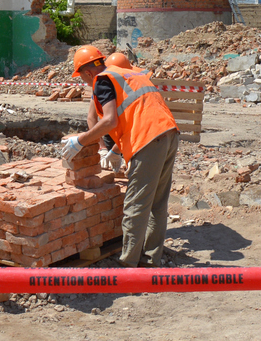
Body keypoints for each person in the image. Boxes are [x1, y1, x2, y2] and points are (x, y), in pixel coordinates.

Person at [60, 45, 180, 268]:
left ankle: (128, 266)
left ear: (87, 73)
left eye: (83, 79)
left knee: (136, 204)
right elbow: (133, 113)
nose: (86, 84)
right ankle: (151, 259)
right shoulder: (126, 74)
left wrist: (80, 141)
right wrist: (112, 150)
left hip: (149, 139)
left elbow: (109, 121)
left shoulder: (103, 80)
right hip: (169, 132)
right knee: (157, 203)